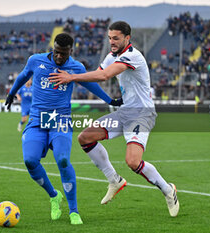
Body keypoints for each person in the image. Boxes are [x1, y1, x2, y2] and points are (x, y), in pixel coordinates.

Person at [49, 21, 179, 217]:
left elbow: (104, 76)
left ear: (127, 38)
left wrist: (72, 77)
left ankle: (168, 190)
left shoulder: (132, 56)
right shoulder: (112, 56)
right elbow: (96, 75)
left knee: (133, 162)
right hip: (125, 112)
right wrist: (71, 73)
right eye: (110, 38)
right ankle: (114, 179)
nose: (112, 42)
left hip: (142, 114)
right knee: (85, 137)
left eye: (116, 38)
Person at [5, 32, 122, 225]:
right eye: (57, 52)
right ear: (53, 48)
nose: (60, 57)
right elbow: (23, 75)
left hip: (60, 120)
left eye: (64, 54)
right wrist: (11, 93)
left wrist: (110, 100)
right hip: (37, 120)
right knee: (30, 160)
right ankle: (53, 196)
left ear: (71, 51)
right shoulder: (36, 61)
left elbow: (90, 84)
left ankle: (73, 211)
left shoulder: (75, 67)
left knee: (63, 159)